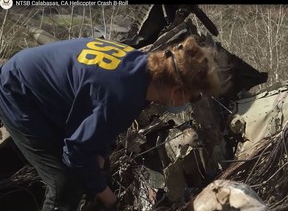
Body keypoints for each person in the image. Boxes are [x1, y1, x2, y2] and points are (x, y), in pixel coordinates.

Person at [0, 36, 221, 211]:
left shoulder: (140, 70)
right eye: (194, 98)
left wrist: (98, 167)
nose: (191, 104)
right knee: (64, 184)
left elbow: (96, 129)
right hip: (19, 90)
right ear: (177, 91)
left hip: (44, 87)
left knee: (97, 169)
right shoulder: (122, 95)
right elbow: (76, 153)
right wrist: (110, 200)